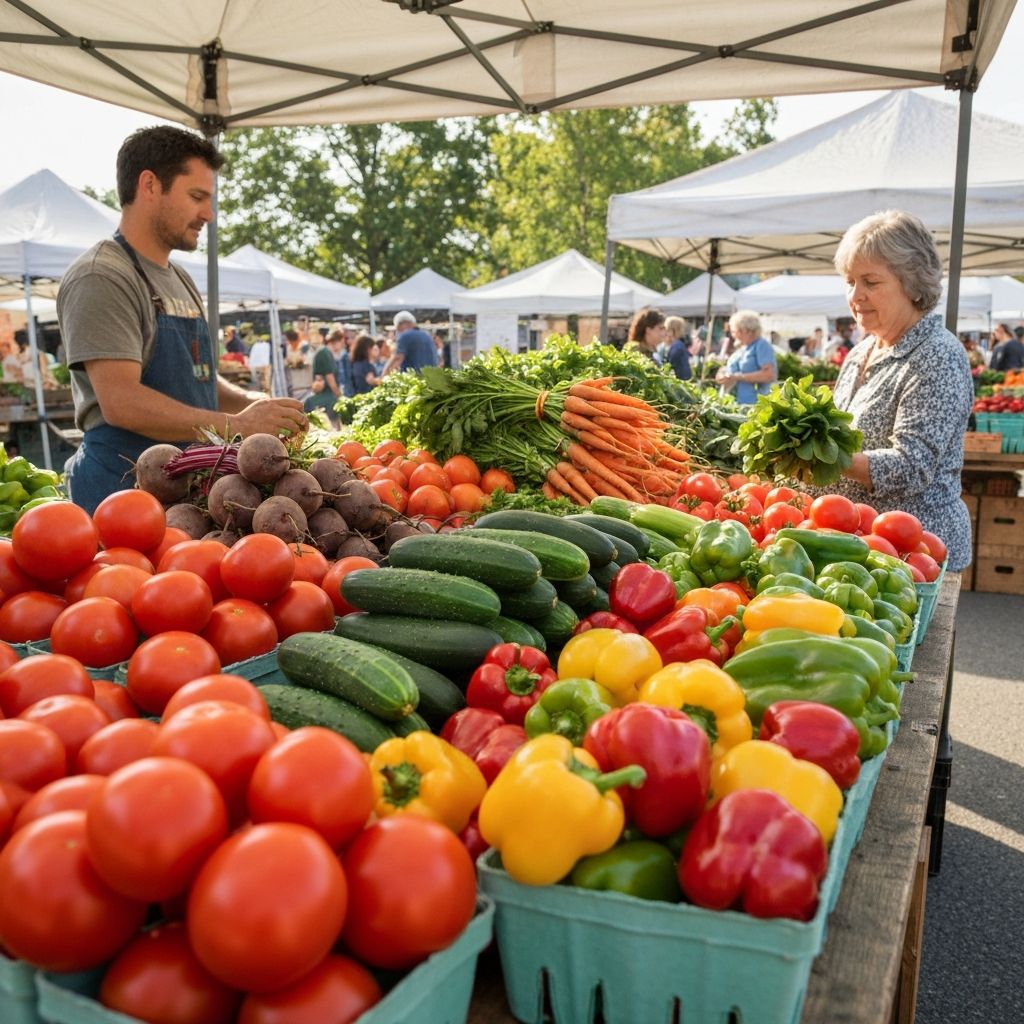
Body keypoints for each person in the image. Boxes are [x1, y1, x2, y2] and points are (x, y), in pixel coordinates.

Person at [56, 125, 306, 513]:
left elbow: (198, 376)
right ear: (150, 185)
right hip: (123, 494)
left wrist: (253, 403)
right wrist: (238, 425)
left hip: (187, 491)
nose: (209, 213)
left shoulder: (180, 278)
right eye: (196, 197)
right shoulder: (102, 275)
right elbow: (121, 401)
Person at [828, 209, 973, 571]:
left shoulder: (937, 355)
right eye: (850, 282)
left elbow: (912, 466)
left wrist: (827, 459)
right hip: (864, 549)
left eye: (870, 282)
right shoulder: (864, 349)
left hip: (916, 557)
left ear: (911, 283)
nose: (855, 295)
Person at [715, 310, 777, 404]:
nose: (733, 335)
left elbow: (769, 375)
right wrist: (721, 374)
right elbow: (732, 369)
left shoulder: (762, 345)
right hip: (735, 403)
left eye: (734, 331)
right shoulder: (742, 348)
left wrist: (736, 377)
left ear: (745, 330)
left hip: (752, 404)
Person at [302, 329, 347, 426]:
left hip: (327, 396)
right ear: (337, 341)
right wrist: (341, 397)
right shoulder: (324, 353)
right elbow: (330, 380)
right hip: (326, 398)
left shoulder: (326, 353)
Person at [663, 315, 692, 380]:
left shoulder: (677, 346)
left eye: (666, 329)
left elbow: (669, 366)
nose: (664, 332)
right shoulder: (679, 345)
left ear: (672, 330)